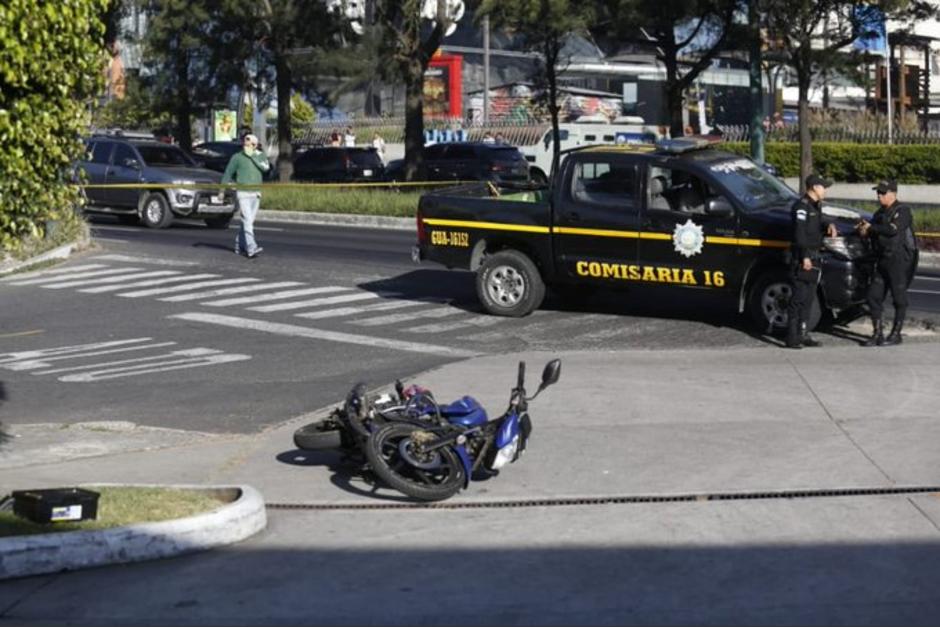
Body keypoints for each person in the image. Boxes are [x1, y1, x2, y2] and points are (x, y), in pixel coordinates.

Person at [856, 179, 917, 346]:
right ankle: (877, 333)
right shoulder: (879, 213)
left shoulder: (902, 211)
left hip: (898, 260)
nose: (879, 196)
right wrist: (863, 230)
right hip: (882, 259)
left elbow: (892, 230)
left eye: (882, 193)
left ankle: (896, 334)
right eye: (878, 192)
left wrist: (871, 228)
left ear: (893, 194)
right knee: (873, 297)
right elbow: (873, 231)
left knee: (899, 298)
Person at [786, 174, 838, 349]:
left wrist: (829, 225)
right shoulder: (801, 206)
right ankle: (792, 337)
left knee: (809, 298)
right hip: (803, 259)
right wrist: (805, 256)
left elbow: (818, 221)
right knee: (798, 298)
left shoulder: (816, 205)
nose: (825, 190)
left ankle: (803, 333)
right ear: (814, 187)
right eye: (823, 187)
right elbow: (799, 234)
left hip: (815, 257)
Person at [222, 133, 270, 259]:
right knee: (248, 220)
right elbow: (228, 172)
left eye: (250, 144)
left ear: (255, 145)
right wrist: (222, 190)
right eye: (245, 143)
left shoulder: (260, 156)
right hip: (243, 193)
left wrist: (253, 156)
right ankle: (251, 248)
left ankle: (239, 245)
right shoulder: (237, 157)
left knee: (247, 222)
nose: (247, 145)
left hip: (256, 193)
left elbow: (265, 168)